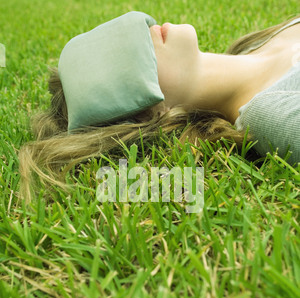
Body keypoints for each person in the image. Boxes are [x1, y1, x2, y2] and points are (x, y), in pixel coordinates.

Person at [18, 12, 300, 204]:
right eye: (125, 60)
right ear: (151, 112)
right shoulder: (268, 113)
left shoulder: (258, 42)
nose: (144, 32)